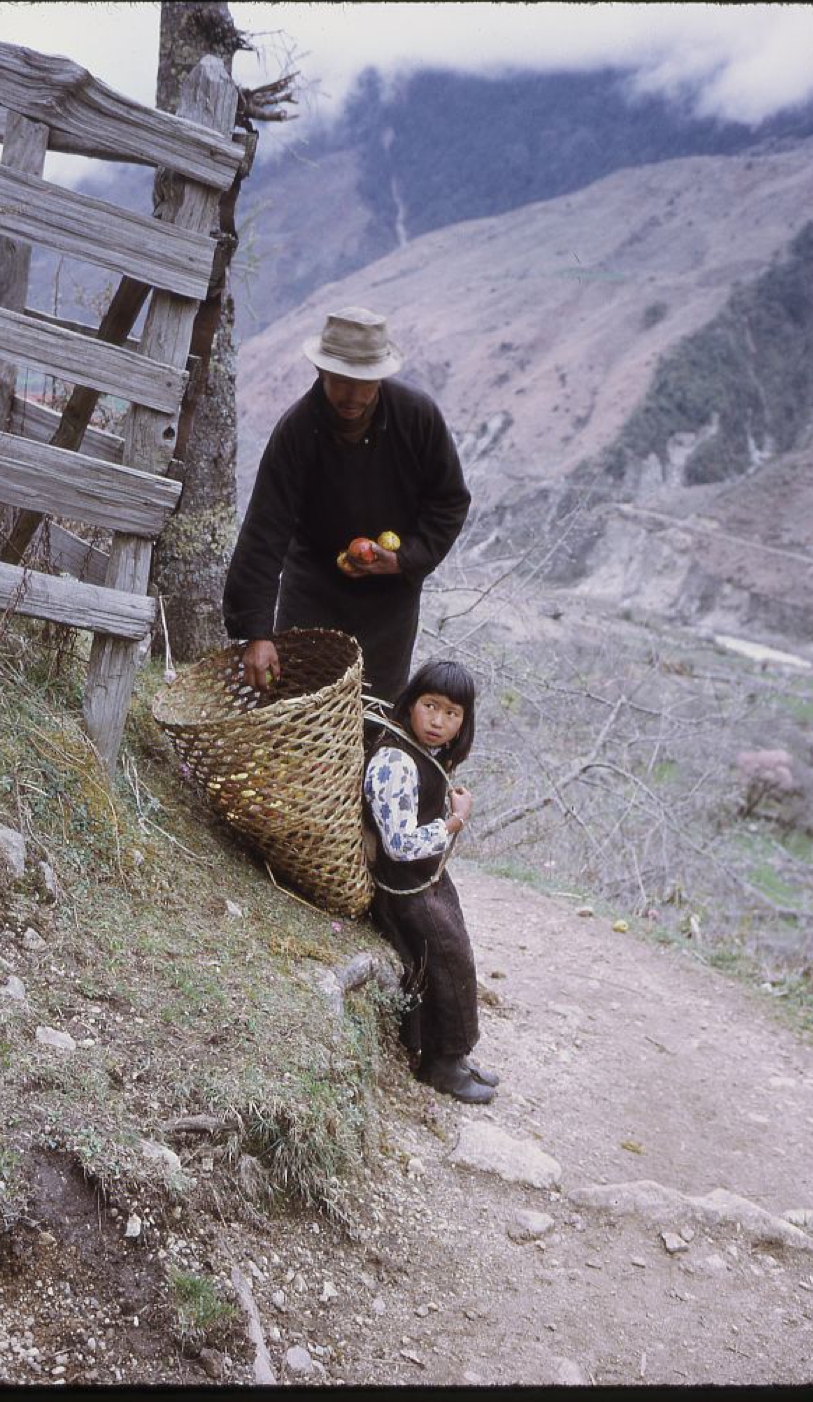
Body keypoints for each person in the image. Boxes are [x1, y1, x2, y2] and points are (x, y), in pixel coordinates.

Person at [222, 306, 471, 703]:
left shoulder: (417, 418)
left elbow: (449, 500)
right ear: (321, 373)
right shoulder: (297, 432)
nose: (352, 396)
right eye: (341, 381)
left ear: (380, 378)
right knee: (299, 704)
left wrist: (404, 558)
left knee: (372, 710)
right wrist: (256, 633)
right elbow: (265, 532)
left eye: (365, 383)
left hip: (390, 600)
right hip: (312, 588)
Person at [363, 659, 499, 1105]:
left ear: (464, 721)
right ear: (411, 703)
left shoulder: (422, 757)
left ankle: (454, 1056)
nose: (439, 721)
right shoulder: (393, 761)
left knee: (457, 957)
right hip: (404, 890)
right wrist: (454, 823)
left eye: (452, 713)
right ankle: (438, 1064)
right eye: (430, 706)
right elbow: (399, 843)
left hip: (426, 882)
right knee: (443, 961)